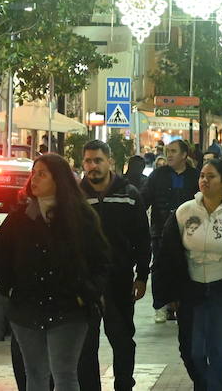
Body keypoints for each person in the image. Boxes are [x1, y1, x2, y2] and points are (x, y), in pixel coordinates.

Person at [0, 153, 109, 391]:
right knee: (34, 375)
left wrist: (86, 293)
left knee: (65, 375)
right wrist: (10, 289)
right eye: (33, 173)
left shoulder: (80, 217)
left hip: (68, 310)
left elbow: (100, 260)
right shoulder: (20, 217)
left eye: (42, 174)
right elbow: (0, 256)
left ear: (58, 179)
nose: (34, 179)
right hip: (27, 309)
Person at [153, 160, 222, 391]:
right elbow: (167, 254)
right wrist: (167, 293)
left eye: (211, 176)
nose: (204, 180)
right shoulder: (184, 212)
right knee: (192, 352)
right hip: (192, 292)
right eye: (202, 176)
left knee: (221, 353)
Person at [78, 140, 151, 391]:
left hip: (119, 280)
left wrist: (142, 275)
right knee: (85, 344)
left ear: (110, 162)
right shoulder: (77, 196)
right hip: (85, 283)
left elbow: (143, 238)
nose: (92, 166)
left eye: (97, 160)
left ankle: (124, 385)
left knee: (121, 340)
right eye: (88, 161)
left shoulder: (129, 195)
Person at [142, 140, 199, 323]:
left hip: (191, 233)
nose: (169, 154)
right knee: (159, 269)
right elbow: (145, 199)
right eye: (167, 151)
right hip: (161, 231)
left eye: (174, 151)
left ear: (184, 155)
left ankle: (183, 303)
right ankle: (160, 305)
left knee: (187, 269)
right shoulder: (157, 175)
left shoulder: (195, 176)